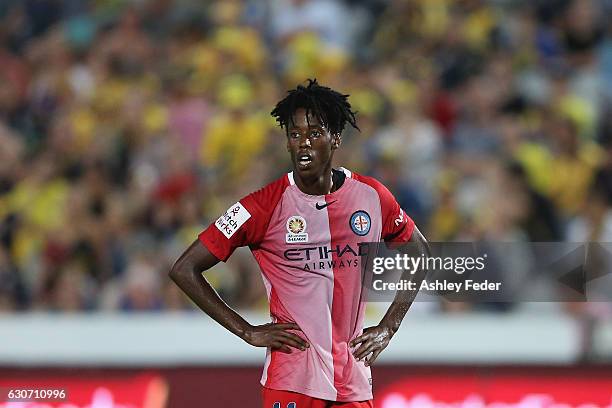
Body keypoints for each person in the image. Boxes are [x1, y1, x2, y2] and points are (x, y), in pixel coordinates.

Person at [169, 79, 429, 407]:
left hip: (353, 382)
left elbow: (420, 253)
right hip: (292, 381)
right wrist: (246, 331)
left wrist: (389, 326)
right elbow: (184, 269)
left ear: (335, 139)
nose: (304, 143)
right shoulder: (262, 205)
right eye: (295, 135)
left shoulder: (372, 196)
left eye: (315, 133)